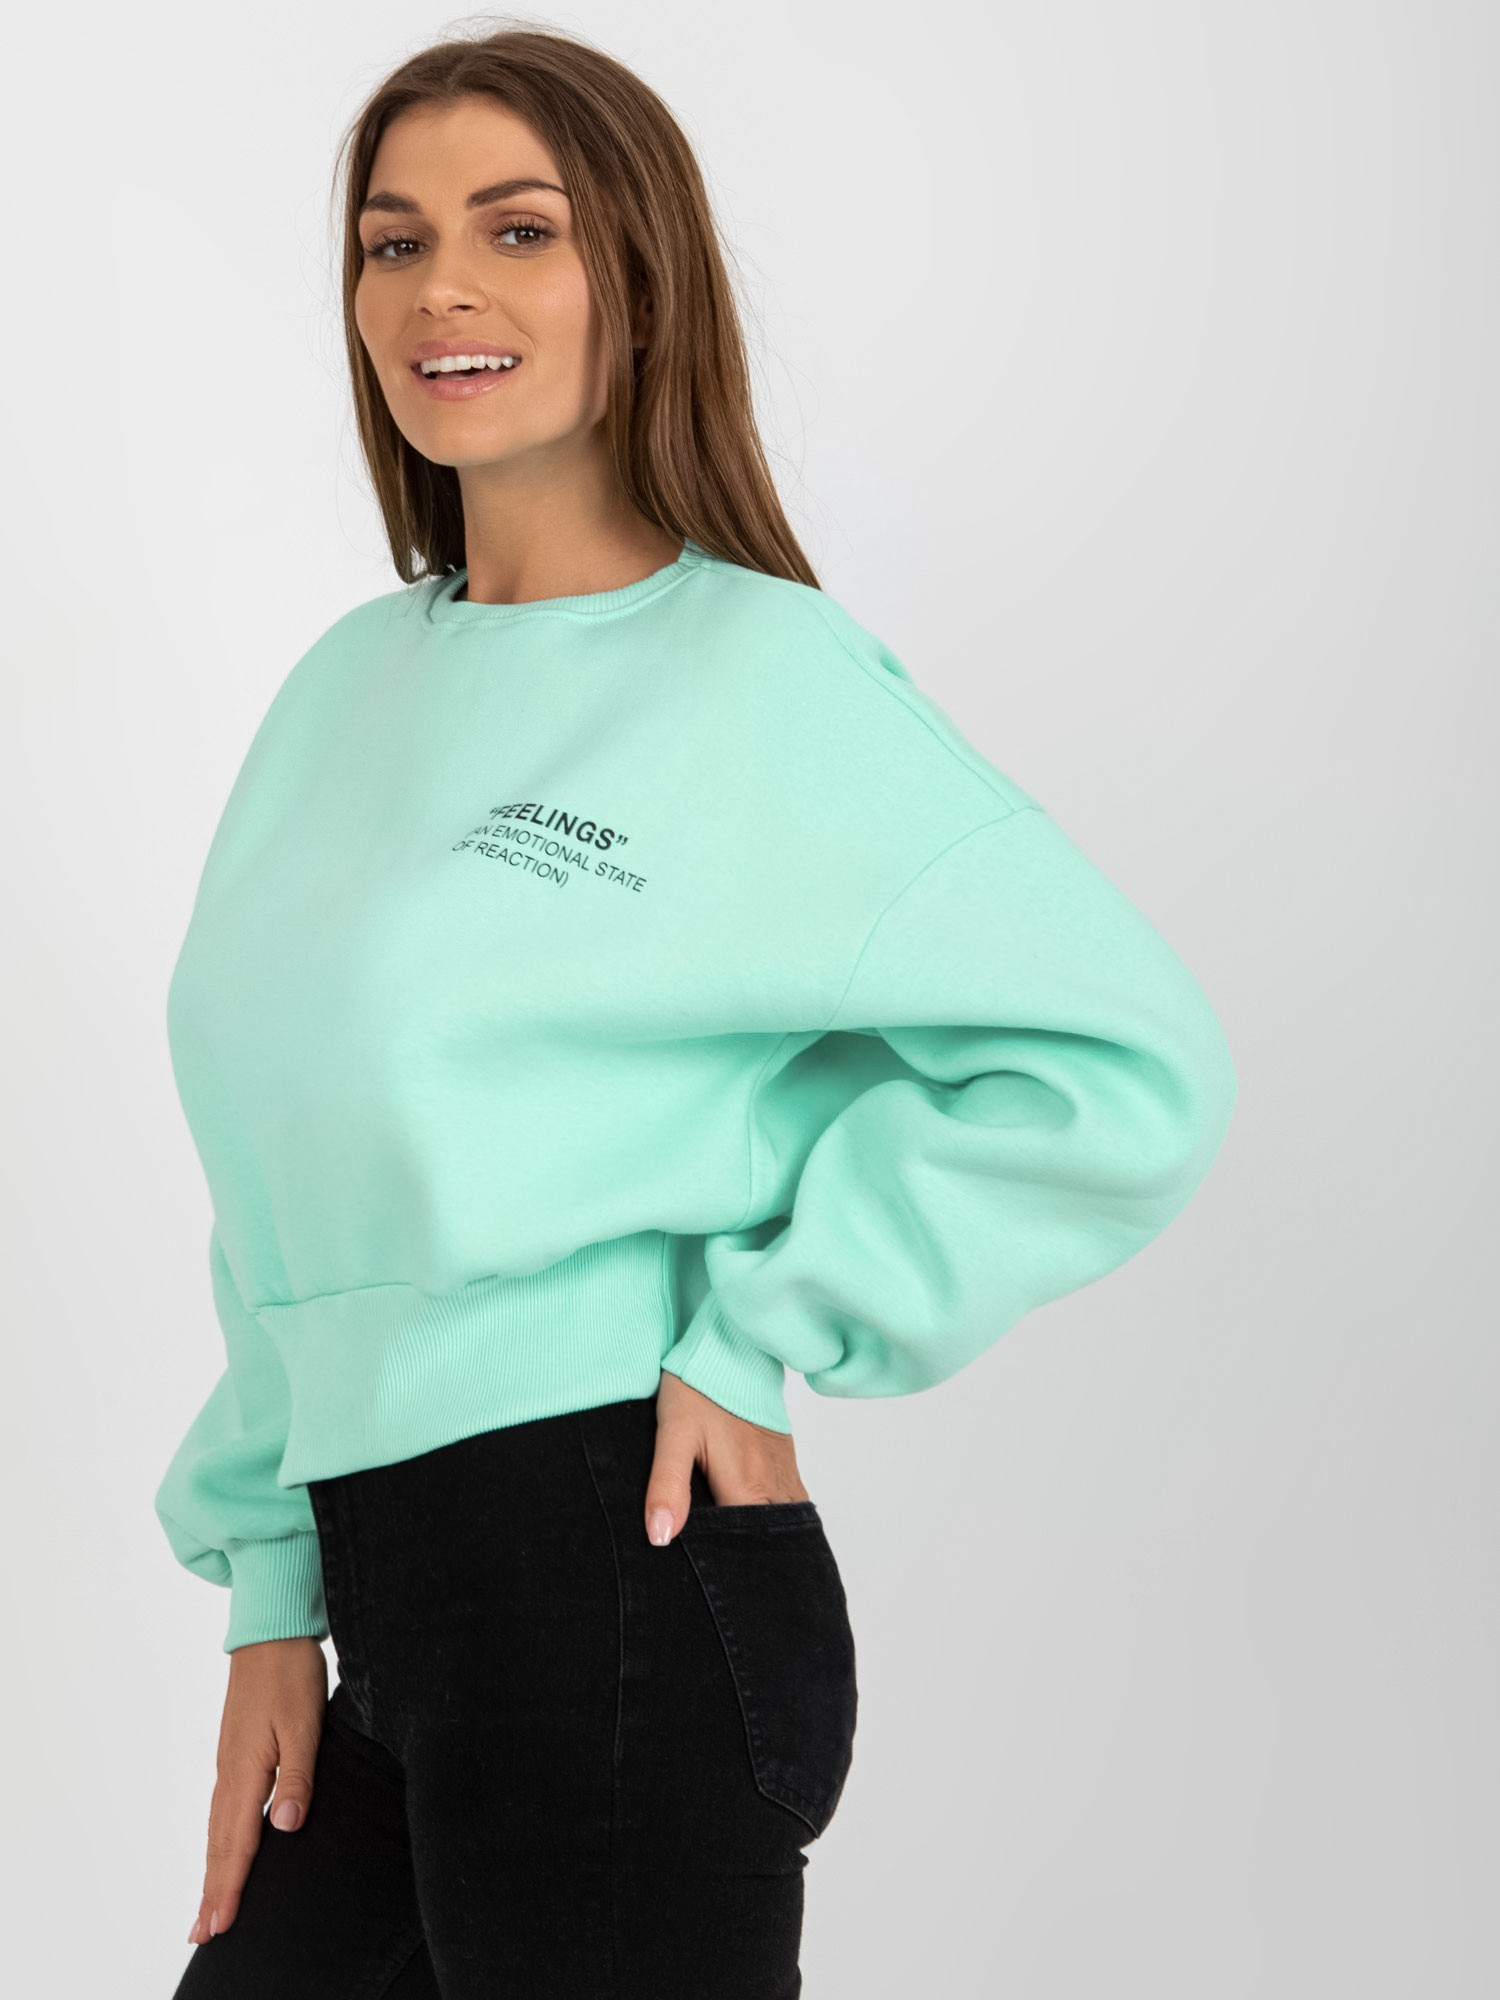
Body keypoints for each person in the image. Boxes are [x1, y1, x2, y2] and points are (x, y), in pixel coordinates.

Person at [157, 24, 1237, 2000]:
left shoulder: (768, 678)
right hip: (373, 1602)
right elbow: (279, 1161)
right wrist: (270, 1590)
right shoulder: (342, 687)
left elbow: (1124, 1064)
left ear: (639, 281)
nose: (443, 288)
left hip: (613, 1573)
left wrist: (760, 1335)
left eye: (519, 231)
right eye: (394, 242)